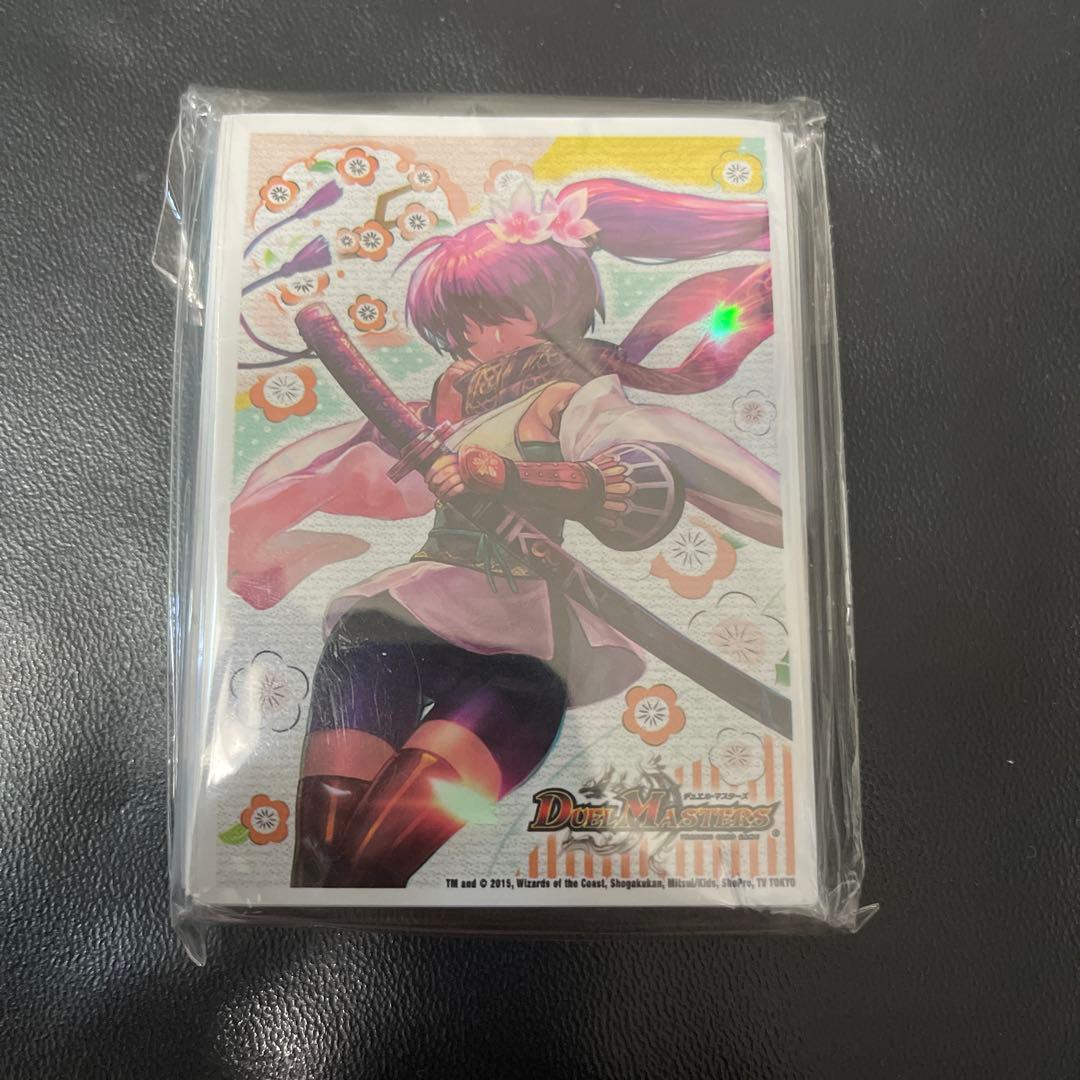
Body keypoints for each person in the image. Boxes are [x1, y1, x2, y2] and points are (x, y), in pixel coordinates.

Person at [228, 178, 782, 887]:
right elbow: (360, 475)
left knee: (370, 864)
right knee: (320, 859)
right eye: (458, 327)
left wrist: (516, 478)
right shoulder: (447, 404)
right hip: (396, 626)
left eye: (484, 319)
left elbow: (636, 479)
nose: (469, 340)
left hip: (521, 658)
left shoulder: (574, 398)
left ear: (550, 304)